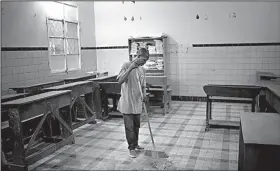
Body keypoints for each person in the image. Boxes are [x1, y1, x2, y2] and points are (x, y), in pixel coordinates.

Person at [117, 47, 149, 158]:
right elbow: (120, 81)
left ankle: (135, 144)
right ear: (138, 56)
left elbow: (143, 85)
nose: (144, 63)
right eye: (144, 60)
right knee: (129, 127)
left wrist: (144, 95)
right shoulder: (126, 65)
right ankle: (131, 148)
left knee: (136, 126)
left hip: (137, 102)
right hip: (127, 102)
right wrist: (130, 68)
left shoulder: (142, 69)